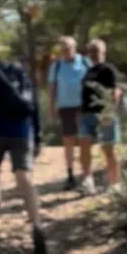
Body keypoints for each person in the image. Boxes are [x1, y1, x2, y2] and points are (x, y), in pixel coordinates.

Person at [0, 56, 48, 254]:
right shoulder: (24, 77)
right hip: (21, 132)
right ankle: (37, 225)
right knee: (24, 177)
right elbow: (34, 107)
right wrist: (38, 136)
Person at [78, 38, 122, 195]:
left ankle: (114, 184)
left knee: (108, 148)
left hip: (104, 114)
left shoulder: (108, 69)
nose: (93, 54)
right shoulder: (88, 71)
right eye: (91, 51)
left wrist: (109, 112)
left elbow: (115, 92)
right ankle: (87, 181)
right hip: (86, 114)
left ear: (103, 52)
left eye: (96, 50)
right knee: (84, 146)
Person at [48, 37, 90, 190]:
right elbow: (52, 88)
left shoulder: (85, 62)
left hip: (83, 106)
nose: (66, 51)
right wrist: (51, 108)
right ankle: (70, 175)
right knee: (68, 142)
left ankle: (86, 175)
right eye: (63, 49)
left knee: (85, 140)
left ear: (75, 47)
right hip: (65, 107)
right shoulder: (57, 65)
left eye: (68, 48)